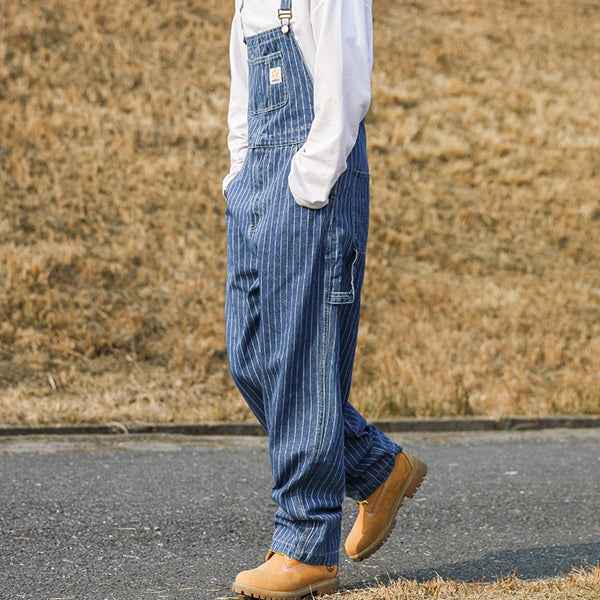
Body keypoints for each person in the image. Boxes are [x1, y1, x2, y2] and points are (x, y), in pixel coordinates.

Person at [222, 0, 427, 597]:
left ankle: (307, 544)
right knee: (252, 356)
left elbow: (344, 83)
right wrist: (240, 177)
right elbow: (243, 90)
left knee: (302, 362)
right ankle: (374, 467)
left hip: (314, 184)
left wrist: (307, 182)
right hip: (257, 186)